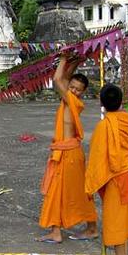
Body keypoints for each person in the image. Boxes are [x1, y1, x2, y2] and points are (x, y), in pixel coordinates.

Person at [38, 52, 98, 243]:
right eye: (71, 87)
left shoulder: (73, 102)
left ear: (84, 92)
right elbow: (63, 79)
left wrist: (63, 58)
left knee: (67, 191)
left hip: (69, 154)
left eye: (78, 89)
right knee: (67, 191)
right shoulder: (68, 100)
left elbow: (57, 79)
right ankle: (74, 229)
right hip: (67, 152)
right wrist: (76, 60)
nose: (73, 91)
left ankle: (83, 228)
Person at [85, 83, 128, 255]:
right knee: (123, 217)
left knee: (116, 219)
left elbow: (97, 157)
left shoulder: (104, 126)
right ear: (120, 102)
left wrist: (90, 184)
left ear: (101, 103)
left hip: (117, 176)